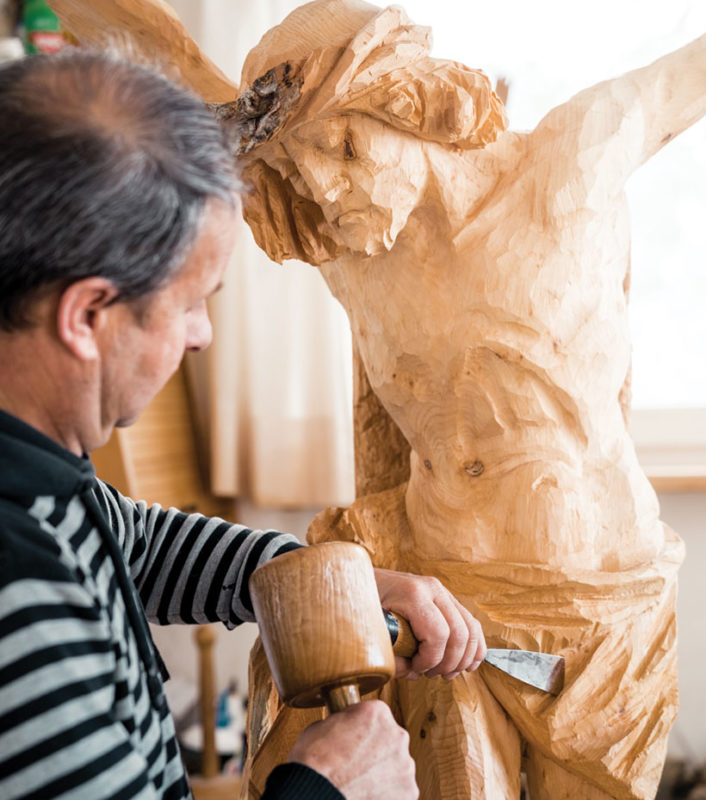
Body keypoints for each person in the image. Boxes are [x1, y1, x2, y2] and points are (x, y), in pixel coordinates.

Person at [0, 49, 487, 799]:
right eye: (191, 302)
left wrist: (333, 584)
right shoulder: (21, 593)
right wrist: (324, 785)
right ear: (87, 316)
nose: (202, 336)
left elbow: (136, 543)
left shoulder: (38, 476)